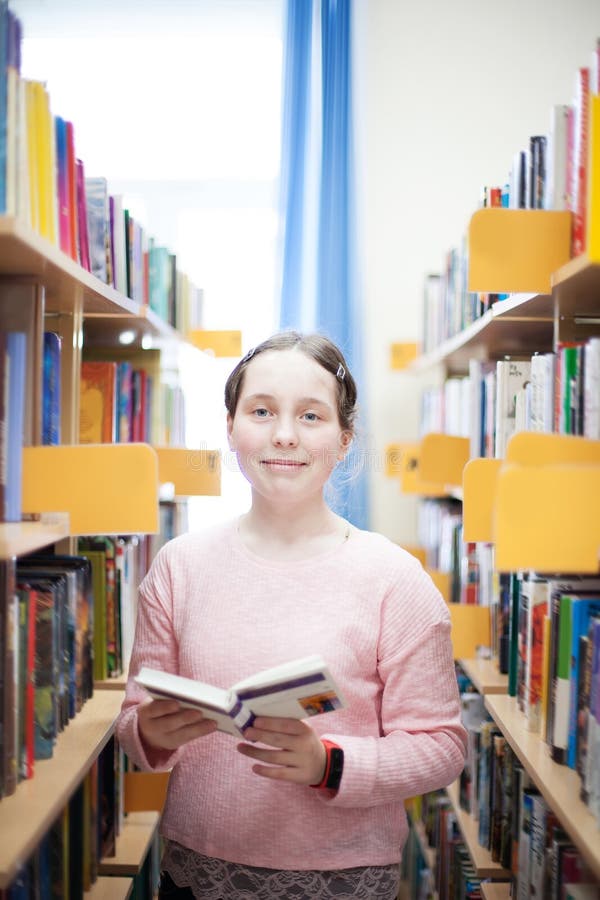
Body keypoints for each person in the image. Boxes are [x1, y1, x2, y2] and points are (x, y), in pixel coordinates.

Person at [116, 330, 467, 900]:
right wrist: (148, 733)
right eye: (261, 411)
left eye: (311, 415)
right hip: (195, 870)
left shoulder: (395, 579)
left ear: (344, 438)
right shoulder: (178, 566)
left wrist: (328, 763)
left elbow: (442, 747)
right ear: (230, 426)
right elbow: (134, 719)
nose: (284, 435)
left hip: (345, 877)